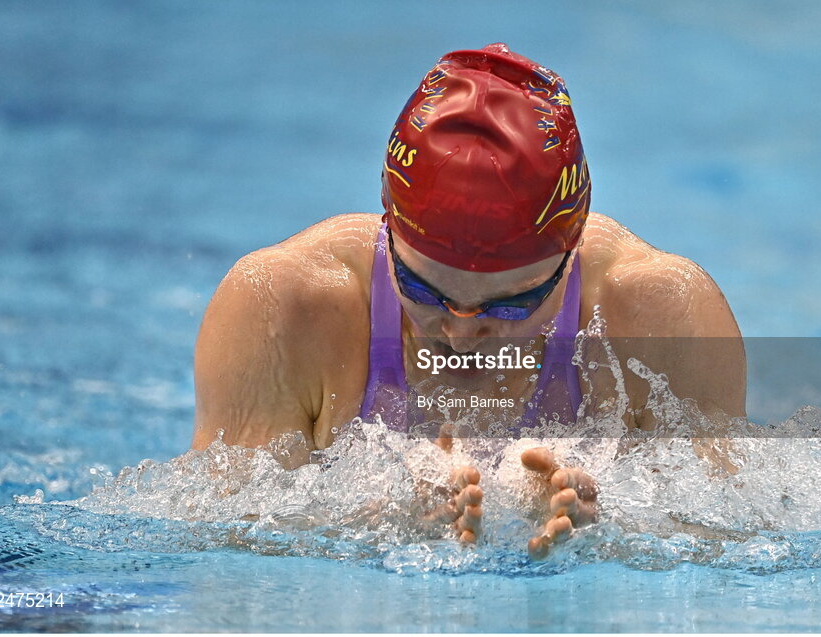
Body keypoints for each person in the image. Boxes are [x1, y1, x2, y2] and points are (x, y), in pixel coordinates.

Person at [191, 43, 746, 559]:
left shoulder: (663, 314)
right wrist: (378, 518)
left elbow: (733, 549)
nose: (459, 333)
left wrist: (611, 527)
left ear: (572, 251)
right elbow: (216, 549)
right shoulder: (283, 305)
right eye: (422, 290)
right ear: (388, 225)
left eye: (510, 304)